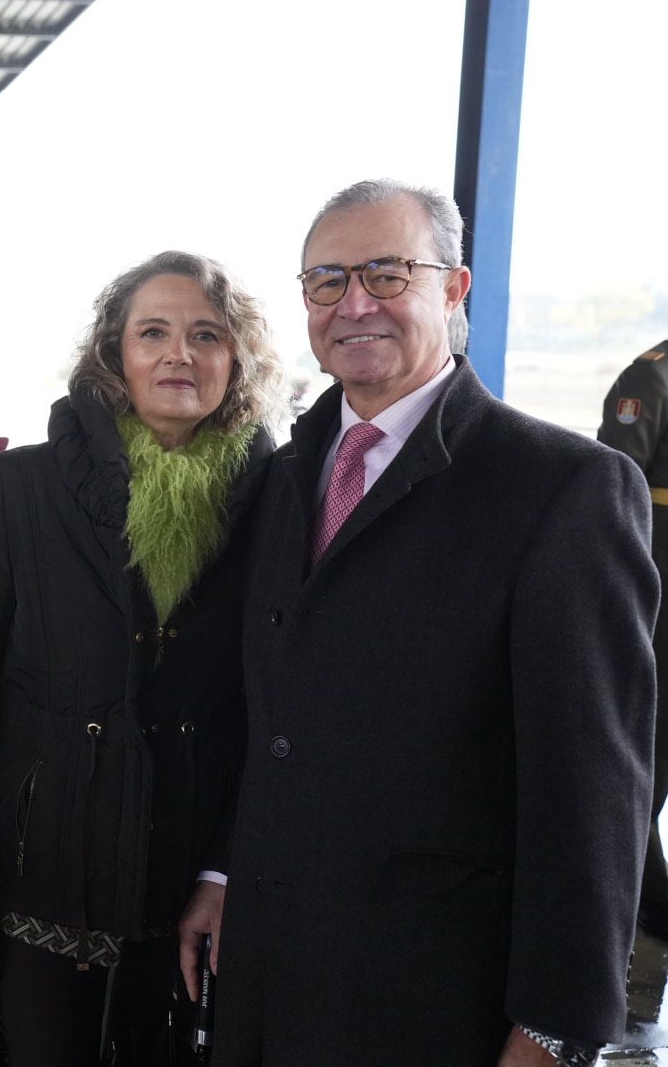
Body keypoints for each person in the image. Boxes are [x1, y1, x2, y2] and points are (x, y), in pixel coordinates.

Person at [216, 179, 656, 1067]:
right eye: (327, 281)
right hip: (268, 984)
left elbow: (594, 794)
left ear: (454, 289)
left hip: (436, 999)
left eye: (387, 272)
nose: (355, 304)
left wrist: (552, 1026)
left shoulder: (560, 489)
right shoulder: (282, 478)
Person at [0, 252, 282, 1066]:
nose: (179, 354)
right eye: (153, 332)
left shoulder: (275, 504)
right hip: (38, 882)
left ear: (237, 360)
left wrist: (225, 875)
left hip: (191, 890)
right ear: (114, 355)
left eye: (206, 335)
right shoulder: (20, 490)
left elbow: (275, 713)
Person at [599, 341, 668, 943]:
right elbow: (618, 488)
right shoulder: (650, 377)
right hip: (661, 585)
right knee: (645, 747)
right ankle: (645, 903)